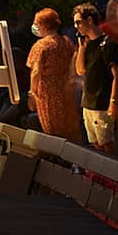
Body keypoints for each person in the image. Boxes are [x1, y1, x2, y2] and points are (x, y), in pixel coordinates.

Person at [73, 3, 118, 155]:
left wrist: (113, 102)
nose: (77, 26)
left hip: (102, 103)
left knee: (107, 141)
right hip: (88, 101)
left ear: (89, 20)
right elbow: (80, 70)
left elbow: (117, 76)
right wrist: (81, 48)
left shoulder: (108, 44)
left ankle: (113, 174)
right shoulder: (87, 45)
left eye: (78, 22)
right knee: (95, 142)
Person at [27, 8, 81, 141]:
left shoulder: (41, 46)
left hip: (47, 93)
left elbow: (36, 71)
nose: (35, 26)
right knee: (68, 128)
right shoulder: (66, 42)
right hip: (67, 91)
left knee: (52, 130)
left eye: (36, 23)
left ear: (44, 25)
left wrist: (32, 93)